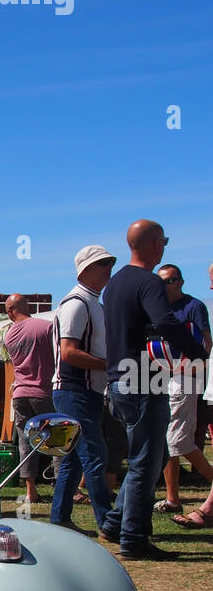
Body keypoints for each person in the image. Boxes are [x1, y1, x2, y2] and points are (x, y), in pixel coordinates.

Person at [99, 220, 206, 560]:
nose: (164, 247)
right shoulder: (149, 282)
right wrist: (196, 349)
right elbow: (164, 322)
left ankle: (116, 522)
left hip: (119, 377)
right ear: (153, 244)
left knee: (150, 455)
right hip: (145, 376)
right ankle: (134, 538)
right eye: (163, 241)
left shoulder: (113, 285)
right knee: (148, 460)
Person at [48, 247, 117, 532]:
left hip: (78, 390)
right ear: (84, 269)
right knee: (93, 454)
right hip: (75, 389)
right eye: (102, 264)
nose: (108, 268)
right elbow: (69, 353)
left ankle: (60, 518)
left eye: (109, 263)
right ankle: (108, 521)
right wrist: (109, 364)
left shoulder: (91, 303)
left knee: (75, 458)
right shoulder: (78, 303)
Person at [153, 265, 212, 513]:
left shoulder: (194, 306)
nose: (164, 286)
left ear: (179, 282)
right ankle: (172, 498)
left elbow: (207, 341)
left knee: (178, 440)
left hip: (186, 377)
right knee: (170, 440)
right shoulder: (159, 307)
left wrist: (199, 365)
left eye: (168, 281)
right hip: (162, 377)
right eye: (160, 282)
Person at [3, 293, 54, 508]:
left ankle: (30, 490)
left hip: (21, 393)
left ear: (9, 312)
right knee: (57, 440)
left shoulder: (8, 336)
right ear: (28, 306)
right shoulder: (46, 327)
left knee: (26, 441)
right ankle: (62, 487)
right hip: (44, 391)